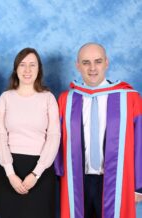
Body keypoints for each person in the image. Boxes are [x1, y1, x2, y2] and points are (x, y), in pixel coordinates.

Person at [55, 42, 142, 218]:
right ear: (77, 65)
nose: (92, 68)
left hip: (117, 181)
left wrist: (139, 185)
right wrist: (59, 175)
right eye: (86, 62)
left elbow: (141, 143)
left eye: (98, 61)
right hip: (77, 180)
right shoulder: (66, 99)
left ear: (107, 63)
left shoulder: (130, 98)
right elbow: (57, 142)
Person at [0, 47, 61, 218]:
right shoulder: (6, 98)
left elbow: (54, 137)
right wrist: (10, 173)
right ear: (16, 69)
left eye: (32, 65)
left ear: (39, 69)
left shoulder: (48, 98)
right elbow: (0, 136)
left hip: (41, 170)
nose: (27, 70)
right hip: (10, 168)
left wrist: (36, 173)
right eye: (22, 65)